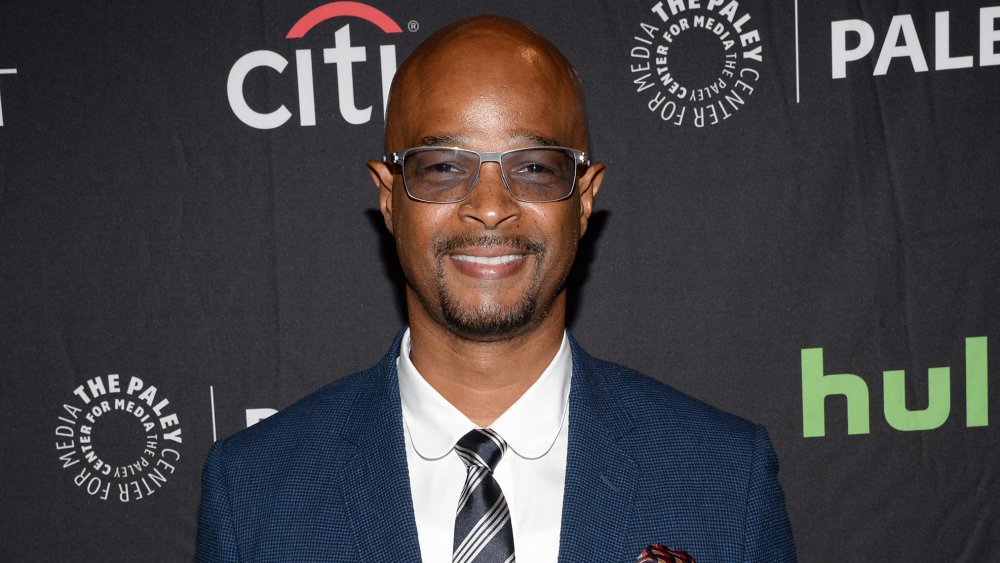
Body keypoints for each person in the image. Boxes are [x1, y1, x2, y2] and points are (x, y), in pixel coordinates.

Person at [196, 15, 795, 563]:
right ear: (388, 195)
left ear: (584, 199)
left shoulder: (722, 474)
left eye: (534, 167)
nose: (488, 207)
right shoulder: (256, 491)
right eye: (443, 166)